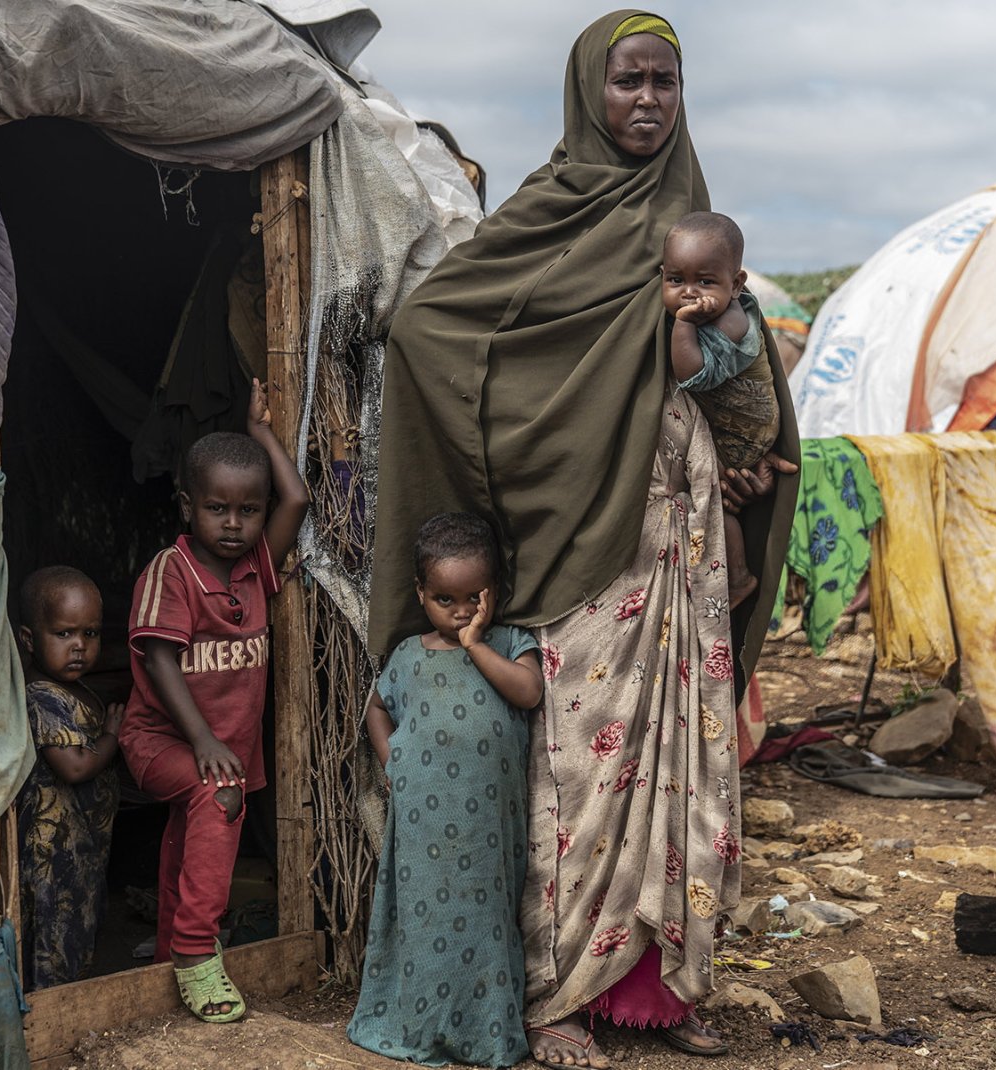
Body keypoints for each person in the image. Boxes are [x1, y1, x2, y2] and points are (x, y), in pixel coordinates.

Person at [367, 11, 799, 1067]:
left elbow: (746, 372)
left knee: (684, 758)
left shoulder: (695, 222)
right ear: (587, 94)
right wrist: (556, 441)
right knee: (580, 767)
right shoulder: (547, 213)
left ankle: (661, 990)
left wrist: (734, 392)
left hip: (683, 535)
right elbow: (436, 331)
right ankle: (556, 994)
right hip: (583, 536)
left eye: (666, 81)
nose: (649, 99)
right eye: (628, 81)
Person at [119, 379, 309, 1023]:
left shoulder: (256, 566)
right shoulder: (170, 573)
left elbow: (299, 496)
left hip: (214, 742)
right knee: (215, 798)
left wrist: (260, 435)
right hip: (160, 740)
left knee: (187, 834)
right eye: (217, 509)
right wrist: (202, 741)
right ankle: (199, 953)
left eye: (247, 510)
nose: (233, 523)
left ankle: (169, 953)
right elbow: (159, 657)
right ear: (186, 507)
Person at [348, 512, 544, 1067]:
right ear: (420, 593)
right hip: (422, 826)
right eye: (444, 600)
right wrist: (394, 764)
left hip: (487, 829)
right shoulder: (409, 655)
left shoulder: (509, 642)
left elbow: (528, 693)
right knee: (425, 921)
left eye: (473, 599)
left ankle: (487, 1035)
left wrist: (477, 643)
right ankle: (420, 1026)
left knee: (485, 923)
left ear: (495, 592)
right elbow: (376, 709)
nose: (460, 612)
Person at [663, 210, 780, 607]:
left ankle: (739, 577)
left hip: (741, 431)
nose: (690, 293)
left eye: (706, 282)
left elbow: (692, 374)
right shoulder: (722, 307)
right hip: (743, 424)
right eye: (676, 280)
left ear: (737, 283)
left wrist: (682, 325)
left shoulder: (729, 322)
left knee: (711, 495)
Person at [14, 565, 122, 990]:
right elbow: (74, 766)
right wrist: (113, 737)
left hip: (82, 845)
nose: (79, 646)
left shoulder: (78, 689)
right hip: (51, 852)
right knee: (54, 931)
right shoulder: (41, 696)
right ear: (29, 640)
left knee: (80, 920)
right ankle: (50, 1010)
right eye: (63, 635)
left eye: (90, 634)